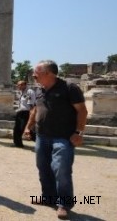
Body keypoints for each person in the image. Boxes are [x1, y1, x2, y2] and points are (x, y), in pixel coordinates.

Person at [24, 60, 88, 219]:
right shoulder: (39, 90)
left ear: (49, 74)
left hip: (63, 137)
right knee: (43, 167)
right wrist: (28, 127)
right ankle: (48, 197)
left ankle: (64, 204)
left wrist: (78, 132)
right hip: (42, 136)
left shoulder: (69, 88)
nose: (34, 77)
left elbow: (82, 111)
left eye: (36, 74)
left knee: (62, 170)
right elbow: (35, 110)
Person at [12, 80, 36, 147]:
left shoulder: (29, 92)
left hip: (26, 112)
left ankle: (38, 140)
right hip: (19, 112)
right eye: (18, 85)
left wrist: (32, 115)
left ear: (24, 85)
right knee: (17, 128)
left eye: (19, 85)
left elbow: (32, 105)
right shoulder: (20, 92)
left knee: (26, 128)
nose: (18, 86)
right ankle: (18, 144)